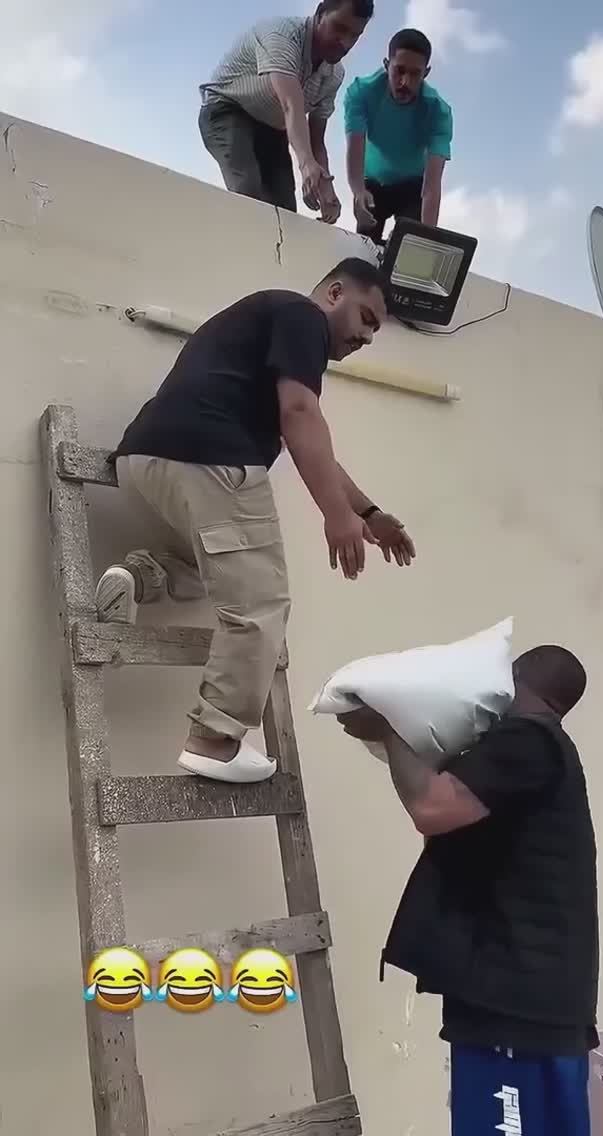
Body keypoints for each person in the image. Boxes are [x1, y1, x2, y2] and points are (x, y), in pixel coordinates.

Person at [97, 259, 416, 787]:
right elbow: (301, 415)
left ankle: (139, 577)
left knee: (215, 570)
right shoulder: (303, 317)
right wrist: (335, 516)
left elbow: (309, 441)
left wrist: (366, 513)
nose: (366, 336)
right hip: (212, 461)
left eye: (375, 330)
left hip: (144, 460)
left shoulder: (269, 322)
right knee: (260, 603)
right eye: (366, 317)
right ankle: (215, 740)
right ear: (334, 293)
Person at [338, 645, 598, 1136]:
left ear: (516, 679)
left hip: (512, 1012)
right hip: (538, 1007)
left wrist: (390, 728)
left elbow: (432, 808)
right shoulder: (544, 753)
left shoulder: (527, 740)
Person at [198, 1, 375, 224]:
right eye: (339, 28)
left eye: (355, 35)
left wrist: (326, 186)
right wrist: (306, 164)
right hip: (227, 109)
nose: (345, 43)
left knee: (284, 210)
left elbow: (316, 139)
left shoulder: (334, 75)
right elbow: (291, 104)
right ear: (320, 13)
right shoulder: (282, 35)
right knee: (248, 189)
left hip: (273, 127)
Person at [344, 28, 453, 242]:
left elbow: (432, 186)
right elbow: (355, 148)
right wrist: (358, 191)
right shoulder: (360, 93)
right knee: (364, 244)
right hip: (373, 183)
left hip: (413, 187)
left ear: (426, 73)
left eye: (415, 74)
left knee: (412, 242)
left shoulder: (439, 112)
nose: (405, 82)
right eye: (399, 71)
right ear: (387, 65)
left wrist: (426, 238)